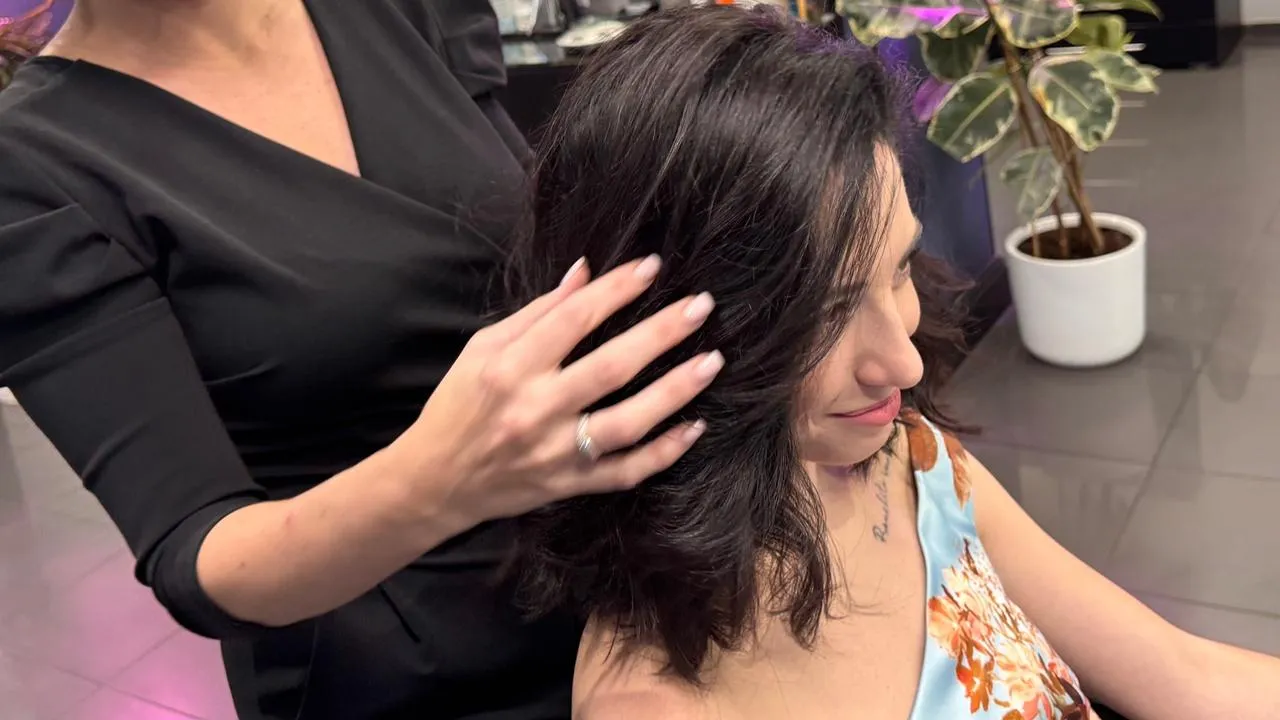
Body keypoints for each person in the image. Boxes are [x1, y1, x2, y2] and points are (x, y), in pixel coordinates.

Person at [504, 6, 1280, 720]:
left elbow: (1183, 674)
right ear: (658, 330)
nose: (904, 366)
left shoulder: (907, 463)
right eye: (825, 313)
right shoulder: (655, 704)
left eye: (900, 268)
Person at [0, 1, 724, 718]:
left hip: (624, 597)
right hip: (412, 670)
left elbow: (532, 238)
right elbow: (201, 559)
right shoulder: (36, 164)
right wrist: (442, 480)